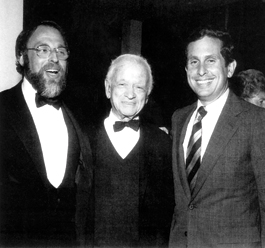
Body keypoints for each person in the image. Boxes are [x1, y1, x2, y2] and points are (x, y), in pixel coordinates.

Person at [169, 27, 265, 248]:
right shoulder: (179, 118)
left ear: (230, 68)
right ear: (186, 69)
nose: (201, 70)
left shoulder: (256, 121)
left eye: (211, 60)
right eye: (194, 62)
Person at [0, 21, 93, 247]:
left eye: (61, 51)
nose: (54, 58)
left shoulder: (80, 117)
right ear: (21, 58)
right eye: (43, 49)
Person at [85, 54, 174, 247]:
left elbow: (166, 216)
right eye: (122, 84)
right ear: (108, 88)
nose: (131, 94)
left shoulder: (162, 144)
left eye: (139, 87)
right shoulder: (84, 139)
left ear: (148, 95)